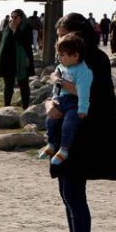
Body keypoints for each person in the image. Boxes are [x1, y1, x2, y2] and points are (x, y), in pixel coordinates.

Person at [45, 13, 116, 232]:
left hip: (84, 136)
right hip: (67, 134)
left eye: (62, 34)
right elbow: (58, 93)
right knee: (66, 193)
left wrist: (59, 83)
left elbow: (90, 94)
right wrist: (51, 105)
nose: (59, 40)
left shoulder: (96, 60)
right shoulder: (71, 59)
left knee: (75, 195)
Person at [40, 34, 93, 166]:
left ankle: (64, 150)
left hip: (73, 103)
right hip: (60, 99)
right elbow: (56, 79)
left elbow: (83, 92)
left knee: (68, 125)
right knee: (50, 121)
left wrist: (82, 109)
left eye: (63, 55)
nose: (59, 58)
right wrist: (54, 98)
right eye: (59, 55)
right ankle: (51, 144)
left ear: (75, 55)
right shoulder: (62, 67)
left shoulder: (83, 71)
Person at [0, 9, 35, 109]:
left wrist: (15, 31)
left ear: (21, 17)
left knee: (23, 84)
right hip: (8, 60)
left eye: (16, 17)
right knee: (8, 84)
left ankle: (25, 106)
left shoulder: (26, 27)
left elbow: (26, 42)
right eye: (12, 17)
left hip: (21, 60)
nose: (13, 19)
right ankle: (6, 106)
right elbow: (3, 43)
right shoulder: (8, 27)